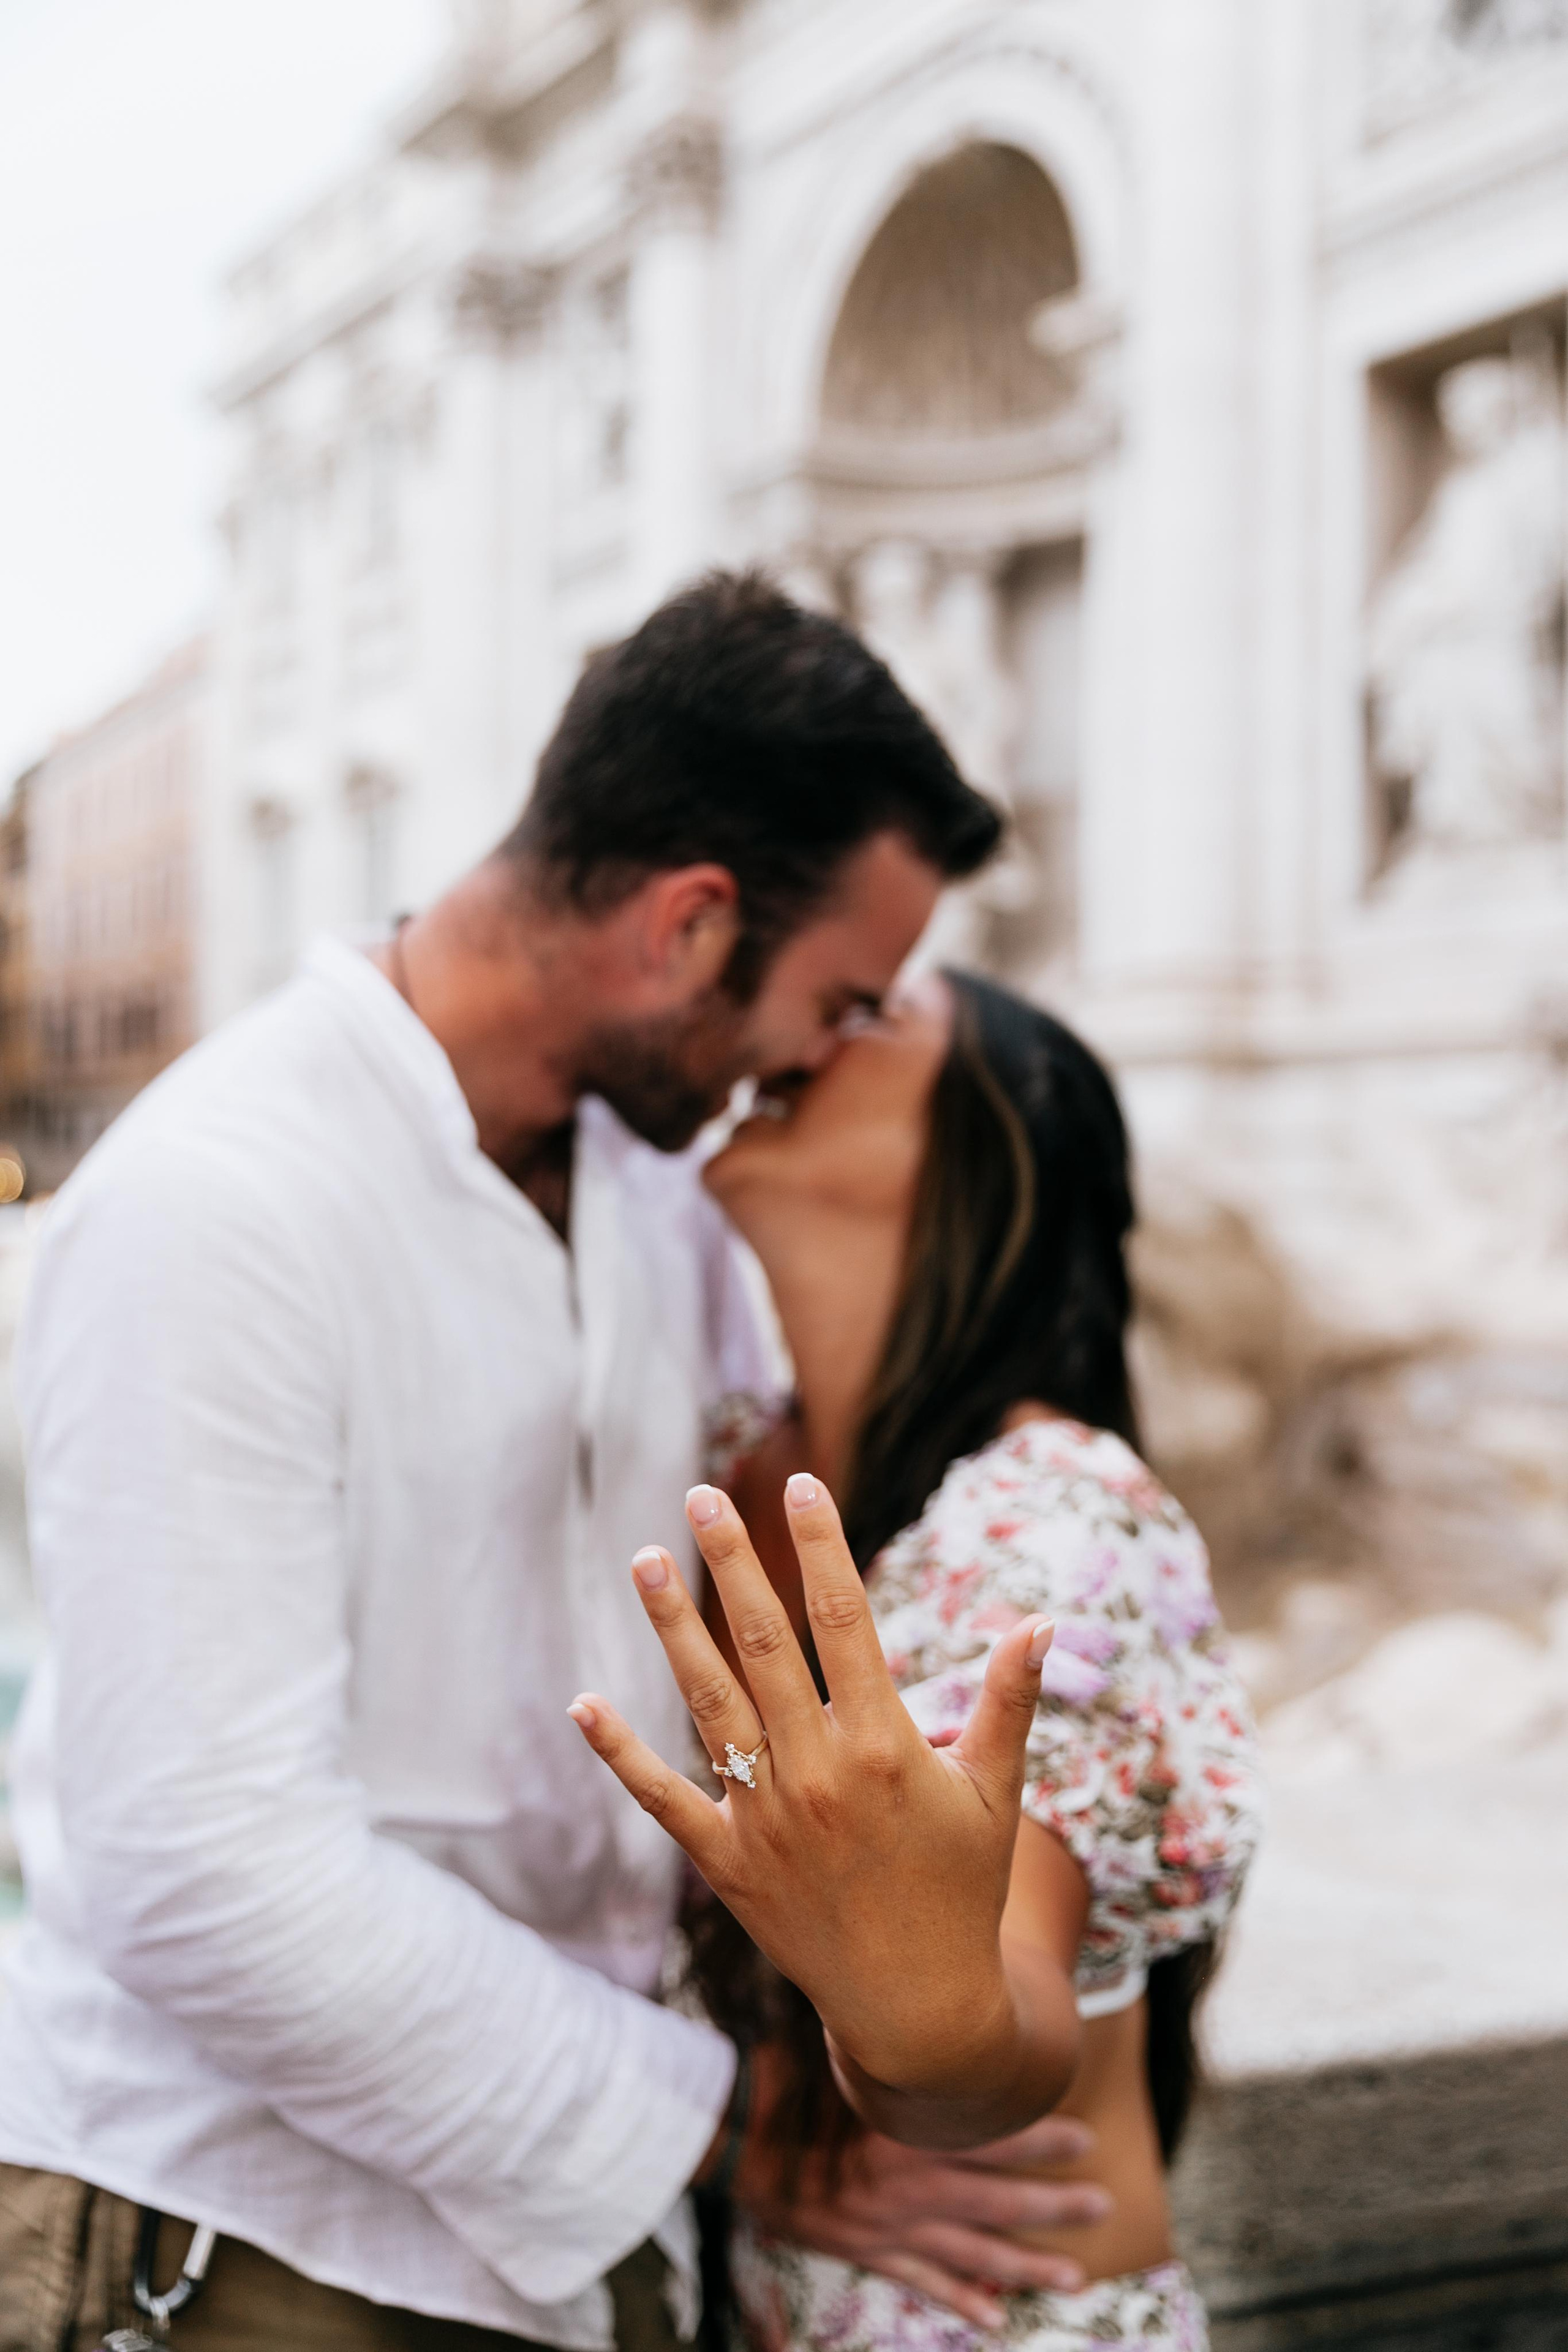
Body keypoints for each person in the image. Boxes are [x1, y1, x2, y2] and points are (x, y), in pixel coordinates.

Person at [0, 576, 1112, 2350]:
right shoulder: (214, 1202)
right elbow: (202, 1866)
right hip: (255, 2245)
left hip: (585, 2248)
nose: (823, 1062)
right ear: (688, 927)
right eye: (836, 1000)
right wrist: (734, 2129)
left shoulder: (663, 1190)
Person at [574, 970, 1265, 2351]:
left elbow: (1000, 2022)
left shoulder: (1052, 1515)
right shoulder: (743, 1474)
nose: (802, 1027)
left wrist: (922, 2035)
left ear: (984, 1150)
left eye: (871, 1014)